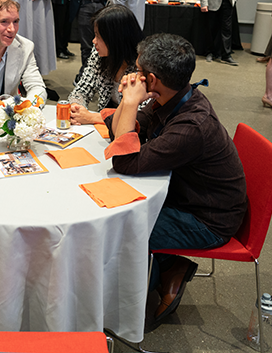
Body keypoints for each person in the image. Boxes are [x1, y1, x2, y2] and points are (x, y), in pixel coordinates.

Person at [102, 33, 247, 322]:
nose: (133, 75)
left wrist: (129, 103)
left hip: (208, 219)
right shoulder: (174, 96)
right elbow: (117, 133)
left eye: (138, 71)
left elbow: (124, 161)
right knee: (122, 215)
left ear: (152, 80)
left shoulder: (191, 126)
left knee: (125, 229)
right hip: (187, 196)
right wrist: (128, 105)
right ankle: (171, 267)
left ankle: (130, 306)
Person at [30, 0, 119, 84]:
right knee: (86, 46)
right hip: (83, 4)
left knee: (107, 44)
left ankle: (105, 78)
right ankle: (87, 78)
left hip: (104, 4)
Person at [68, 5, 143, 124]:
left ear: (115, 39)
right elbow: (82, 89)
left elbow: (140, 116)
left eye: (98, 36)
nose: (94, 41)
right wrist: (76, 107)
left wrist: (93, 118)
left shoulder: (143, 65)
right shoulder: (99, 53)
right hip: (104, 130)